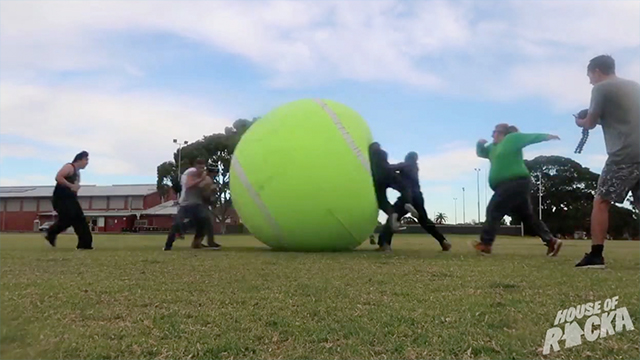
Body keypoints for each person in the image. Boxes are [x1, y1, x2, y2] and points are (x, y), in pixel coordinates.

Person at [573, 55, 640, 269]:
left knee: (601, 202)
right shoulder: (634, 87)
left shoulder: (600, 89)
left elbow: (590, 122)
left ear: (597, 71)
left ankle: (596, 255)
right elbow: (625, 117)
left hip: (623, 155)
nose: (590, 81)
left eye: (590, 76)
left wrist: (580, 121)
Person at [473, 124, 563, 256]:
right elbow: (481, 153)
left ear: (503, 133)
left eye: (495, 132)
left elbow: (530, 138)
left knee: (493, 210)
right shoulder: (492, 148)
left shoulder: (512, 139)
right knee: (527, 217)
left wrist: (547, 136)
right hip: (513, 185)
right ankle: (551, 241)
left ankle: (485, 244)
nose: (492, 135)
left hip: (513, 182)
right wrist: (479, 144)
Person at [377, 152, 451, 252]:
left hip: (407, 196)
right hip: (418, 196)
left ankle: (385, 244)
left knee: (393, 216)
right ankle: (443, 241)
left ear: (407, 158)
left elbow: (392, 168)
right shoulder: (414, 167)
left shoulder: (407, 165)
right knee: (425, 221)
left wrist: (381, 167)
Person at [45, 151, 93, 249]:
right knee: (73, 219)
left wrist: (75, 189)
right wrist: (71, 186)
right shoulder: (69, 167)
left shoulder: (77, 173)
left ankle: (85, 244)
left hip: (70, 199)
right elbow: (58, 177)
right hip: (61, 199)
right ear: (79, 159)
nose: (87, 162)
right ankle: (51, 232)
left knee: (75, 219)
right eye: (86, 160)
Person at [368, 142, 418, 231]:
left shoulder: (370, 156)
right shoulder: (383, 153)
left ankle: (392, 214)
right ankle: (407, 203)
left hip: (377, 178)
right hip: (389, 174)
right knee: (404, 188)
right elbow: (394, 167)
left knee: (382, 201)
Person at [163, 159, 210, 251]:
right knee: (177, 223)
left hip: (197, 204)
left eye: (203, 168)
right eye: (199, 168)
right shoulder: (191, 174)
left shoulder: (206, 178)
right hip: (186, 204)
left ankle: (196, 242)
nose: (201, 170)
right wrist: (201, 179)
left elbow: (205, 191)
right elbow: (189, 185)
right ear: (195, 167)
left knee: (204, 220)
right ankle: (168, 245)